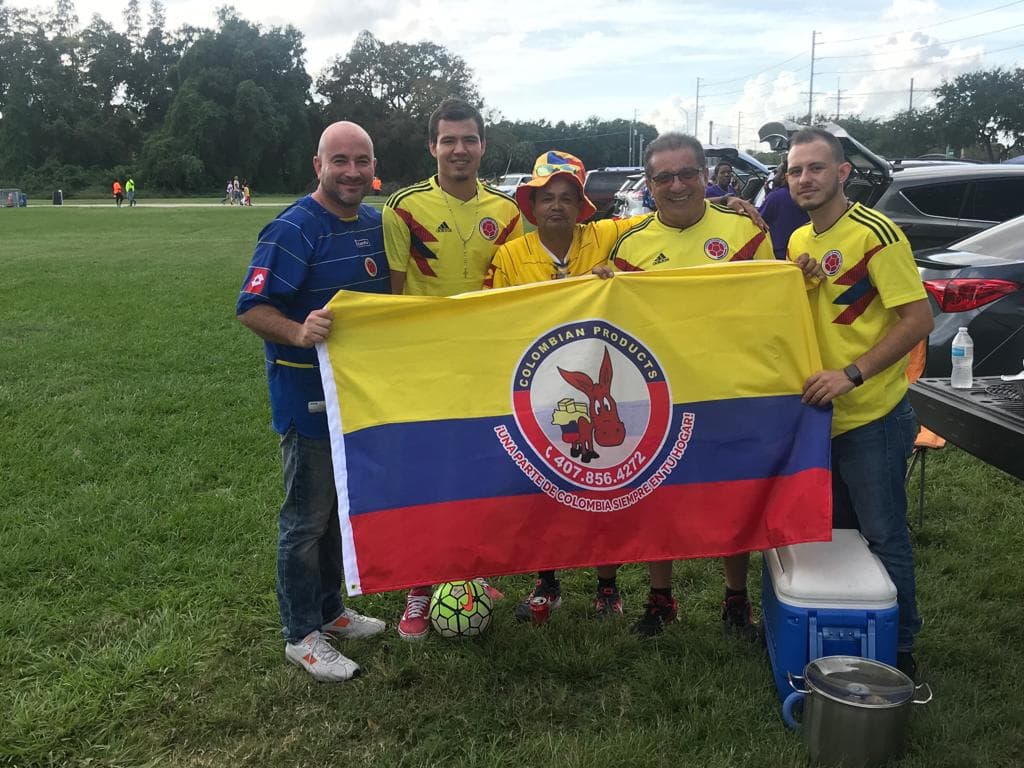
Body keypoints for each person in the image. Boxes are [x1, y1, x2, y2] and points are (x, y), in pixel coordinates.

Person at [601, 133, 775, 638]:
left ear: (706, 176)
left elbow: (772, 306)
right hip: (662, 393)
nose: (676, 185)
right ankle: (660, 598)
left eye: (687, 174)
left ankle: (736, 600)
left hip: (730, 388)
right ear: (649, 184)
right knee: (659, 494)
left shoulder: (745, 230)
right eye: (663, 177)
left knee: (733, 495)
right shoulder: (631, 244)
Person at [236, 121, 389, 682]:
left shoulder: (373, 223)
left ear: (375, 167)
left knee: (333, 514)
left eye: (362, 160)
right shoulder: (295, 228)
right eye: (340, 160)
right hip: (308, 399)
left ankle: (332, 611)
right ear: (317, 165)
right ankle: (302, 634)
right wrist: (299, 331)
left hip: (357, 397)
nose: (352, 171)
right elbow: (251, 306)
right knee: (305, 519)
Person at [786, 127, 933, 680]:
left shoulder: (877, 233)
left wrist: (853, 374)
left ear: (842, 173)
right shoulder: (800, 241)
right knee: (841, 540)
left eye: (816, 168)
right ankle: (854, 636)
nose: (805, 179)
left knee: (884, 534)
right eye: (796, 170)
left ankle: (901, 651)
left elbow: (919, 320)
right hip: (820, 418)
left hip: (872, 415)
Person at [484, 150, 648, 621]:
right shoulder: (510, 256)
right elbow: (492, 316)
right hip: (540, 387)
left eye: (567, 198)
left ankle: (607, 587)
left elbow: (665, 219)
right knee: (543, 485)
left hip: (604, 384)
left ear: (582, 206)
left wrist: (736, 204)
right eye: (546, 198)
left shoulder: (608, 237)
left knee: (604, 486)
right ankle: (547, 582)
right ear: (531, 206)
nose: (556, 206)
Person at [383, 97, 523, 639]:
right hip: (428, 363)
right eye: (448, 140)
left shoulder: (506, 213)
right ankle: (420, 587)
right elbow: (394, 298)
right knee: (429, 475)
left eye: (468, 139)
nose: (459, 149)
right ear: (432, 147)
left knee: (482, 468)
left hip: (488, 361)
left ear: (483, 145)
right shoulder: (403, 207)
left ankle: (472, 573)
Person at [758, 159, 809, 260]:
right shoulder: (804, 196)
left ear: (783, 176)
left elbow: (758, 220)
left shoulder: (775, 197)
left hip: (779, 254)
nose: (774, 175)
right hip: (801, 251)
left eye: (777, 172)